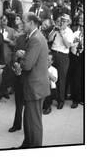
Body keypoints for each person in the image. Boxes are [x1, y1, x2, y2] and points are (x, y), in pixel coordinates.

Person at [16, 12, 50, 148]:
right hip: (35, 86)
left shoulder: (35, 38)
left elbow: (28, 65)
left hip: (35, 87)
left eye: (23, 22)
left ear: (31, 23)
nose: (21, 24)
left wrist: (20, 61)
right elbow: (34, 58)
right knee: (29, 119)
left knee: (34, 121)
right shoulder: (36, 37)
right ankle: (27, 144)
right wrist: (26, 55)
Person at [48, 14, 74, 109]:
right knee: (51, 75)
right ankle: (50, 98)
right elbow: (49, 39)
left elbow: (68, 45)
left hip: (63, 55)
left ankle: (60, 100)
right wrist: (54, 31)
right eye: (62, 20)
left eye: (65, 20)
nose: (62, 22)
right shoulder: (56, 29)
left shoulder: (69, 32)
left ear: (68, 22)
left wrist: (62, 33)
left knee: (61, 79)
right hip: (54, 53)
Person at [0, 15, 16, 104]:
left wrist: (8, 41)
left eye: (5, 20)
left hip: (7, 56)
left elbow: (15, 43)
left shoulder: (11, 30)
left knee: (6, 76)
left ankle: (3, 91)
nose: (4, 21)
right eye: (2, 20)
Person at [8, 31, 27, 133]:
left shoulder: (36, 39)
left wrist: (24, 55)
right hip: (18, 74)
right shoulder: (20, 39)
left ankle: (28, 127)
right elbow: (13, 54)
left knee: (28, 104)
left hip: (29, 76)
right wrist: (15, 62)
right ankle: (17, 124)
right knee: (18, 101)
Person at [69, 13, 84, 108]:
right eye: (80, 18)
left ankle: (82, 97)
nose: (81, 19)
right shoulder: (74, 29)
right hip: (74, 55)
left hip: (84, 55)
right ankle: (75, 99)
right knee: (75, 78)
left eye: (83, 18)